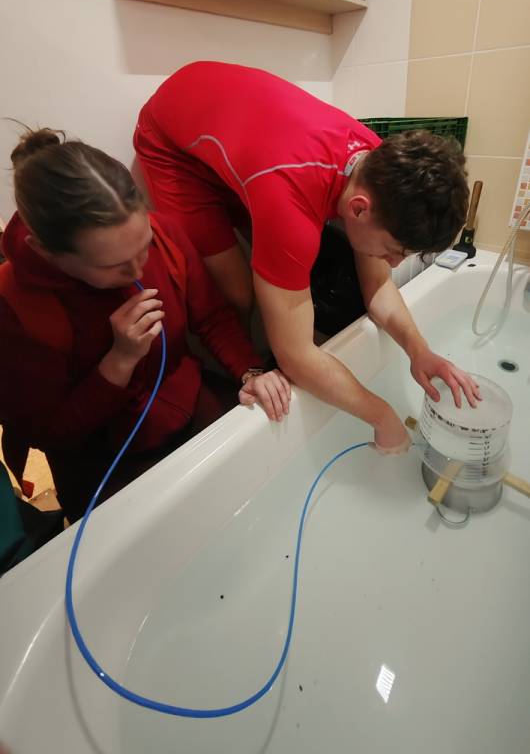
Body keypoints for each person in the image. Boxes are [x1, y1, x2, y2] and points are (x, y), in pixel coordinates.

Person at [133, 61, 481, 455]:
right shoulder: (290, 201)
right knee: (237, 292)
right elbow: (296, 356)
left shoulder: (379, 167)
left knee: (279, 266)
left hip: (242, 136)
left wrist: (419, 351)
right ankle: (239, 387)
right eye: (393, 250)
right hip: (171, 145)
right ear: (359, 208)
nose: (395, 263)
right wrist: (383, 417)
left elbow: (378, 287)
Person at [0, 128, 290, 522]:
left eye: (144, 246)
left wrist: (250, 371)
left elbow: (212, 317)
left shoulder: (163, 233)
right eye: (114, 266)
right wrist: (118, 362)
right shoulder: (14, 305)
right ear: (45, 252)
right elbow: (49, 433)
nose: (138, 270)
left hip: (187, 405)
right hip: (102, 458)